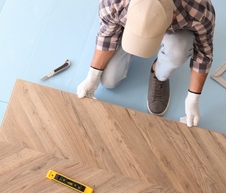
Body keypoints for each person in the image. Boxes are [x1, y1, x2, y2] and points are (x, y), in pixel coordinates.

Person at [77, 0, 215, 127]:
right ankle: (130, 33)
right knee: (108, 81)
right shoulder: (113, 3)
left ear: (172, 17)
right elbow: (106, 36)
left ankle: (158, 71)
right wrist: (93, 75)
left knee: (178, 52)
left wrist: (193, 99)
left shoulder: (199, 10)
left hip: (177, 29)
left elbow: (204, 54)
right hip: (127, 22)